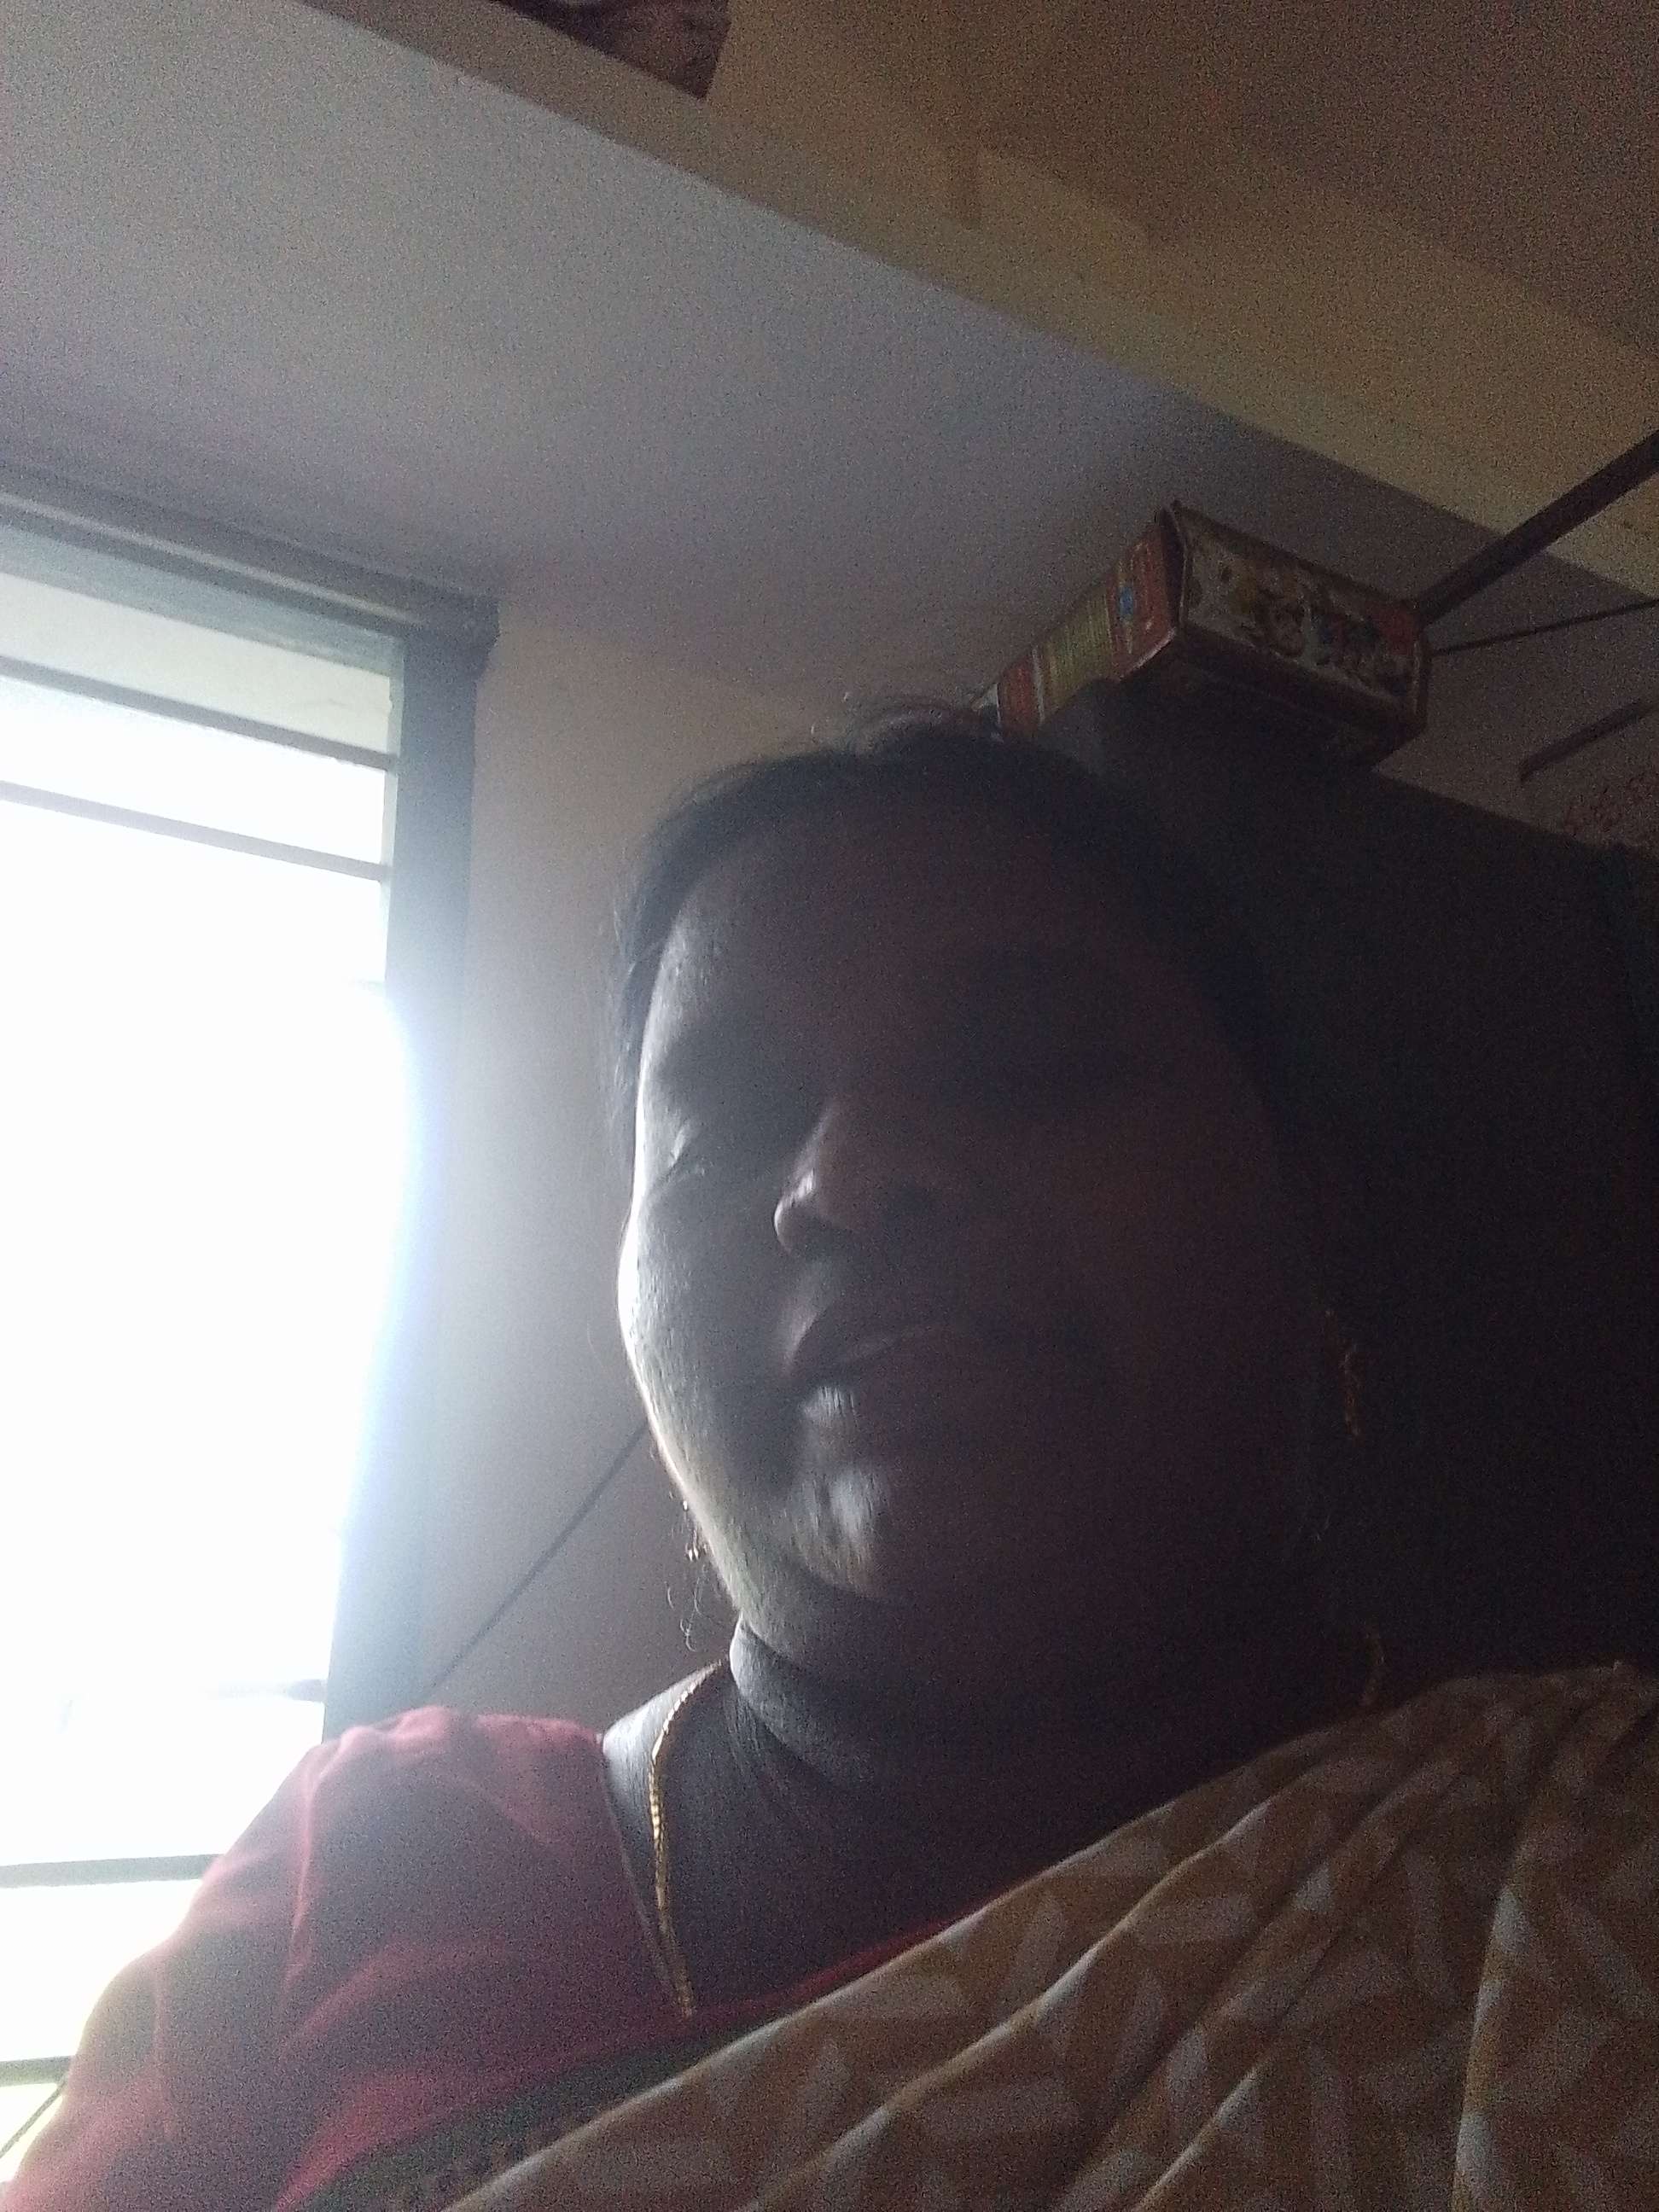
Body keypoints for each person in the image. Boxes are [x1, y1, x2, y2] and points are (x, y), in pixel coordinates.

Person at [12, 708, 1657, 2212]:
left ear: (1310, 1207)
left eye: (1025, 1068)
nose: (850, 1176)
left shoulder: (1583, 1865)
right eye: (724, 1128)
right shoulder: (364, 1876)